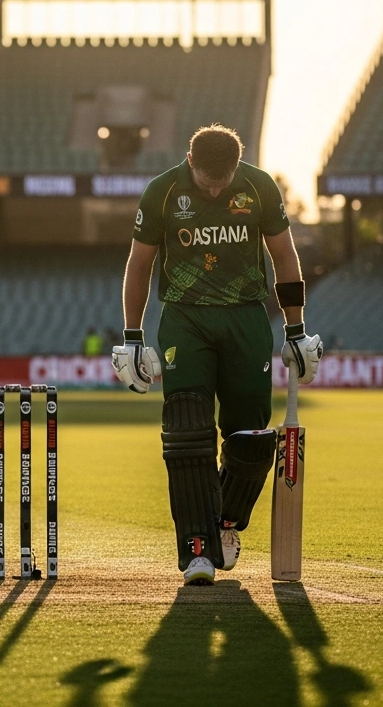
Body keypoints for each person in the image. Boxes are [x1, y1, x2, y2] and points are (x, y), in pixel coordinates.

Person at [111, 123, 323, 587]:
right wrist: (131, 336)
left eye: (221, 182)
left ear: (235, 168)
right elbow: (140, 264)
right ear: (191, 163)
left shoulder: (258, 186)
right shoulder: (162, 192)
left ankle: (225, 524)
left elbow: (284, 257)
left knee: (251, 438)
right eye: (207, 182)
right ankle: (195, 550)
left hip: (247, 317)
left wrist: (296, 329)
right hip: (185, 319)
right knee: (187, 430)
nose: (214, 189)